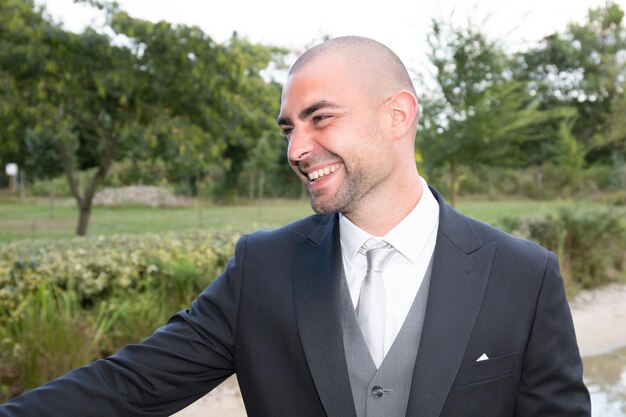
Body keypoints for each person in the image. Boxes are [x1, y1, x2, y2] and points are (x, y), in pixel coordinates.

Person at [0, 36, 590, 417]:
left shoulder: (524, 273)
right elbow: (129, 386)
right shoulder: (262, 268)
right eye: (288, 129)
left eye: (320, 118)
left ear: (398, 115)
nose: (297, 149)